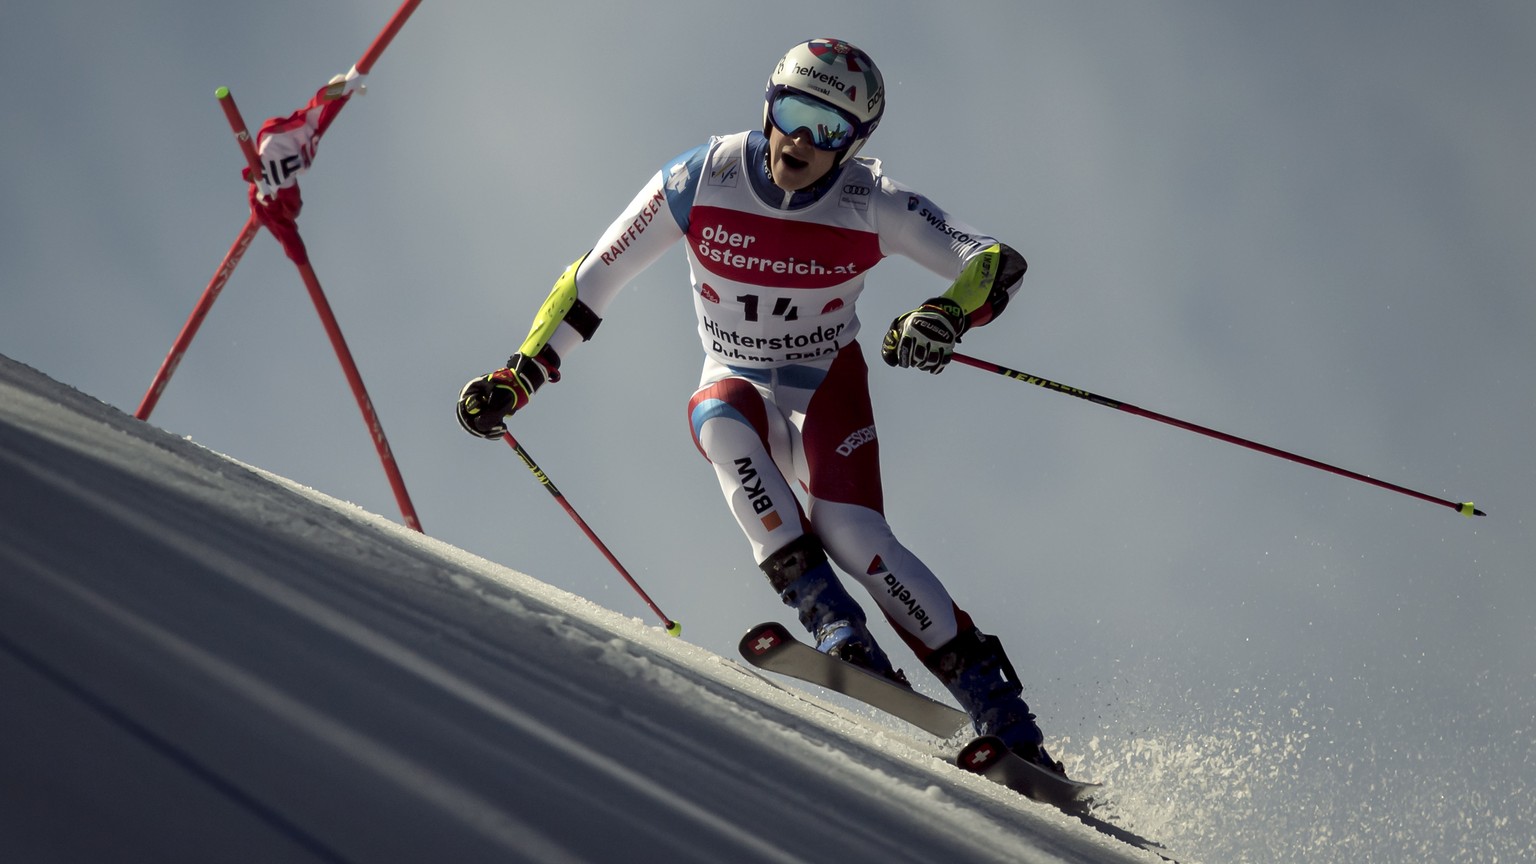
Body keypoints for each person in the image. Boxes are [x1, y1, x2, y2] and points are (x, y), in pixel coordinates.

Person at [456, 38, 1058, 769]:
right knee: (715, 418)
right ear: (768, 104)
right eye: (796, 112)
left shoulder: (869, 200)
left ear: (855, 142)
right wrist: (521, 373)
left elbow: (992, 260)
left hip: (823, 384)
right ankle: (830, 620)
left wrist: (947, 314)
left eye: (830, 128)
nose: (803, 140)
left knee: (853, 532)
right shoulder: (701, 177)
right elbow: (592, 281)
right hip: (736, 373)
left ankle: (1004, 716)